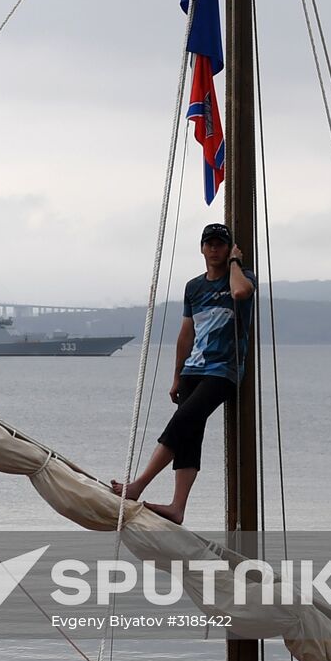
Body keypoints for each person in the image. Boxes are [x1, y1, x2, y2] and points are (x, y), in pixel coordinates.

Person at [111, 222, 255, 524]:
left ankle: (137, 485)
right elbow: (186, 334)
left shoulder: (242, 278)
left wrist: (234, 263)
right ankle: (177, 508)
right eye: (210, 244)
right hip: (193, 369)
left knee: (183, 420)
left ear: (228, 249)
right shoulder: (193, 287)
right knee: (190, 436)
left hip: (223, 371)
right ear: (202, 248)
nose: (214, 248)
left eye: (220, 244)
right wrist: (177, 375)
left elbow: (241, 293)